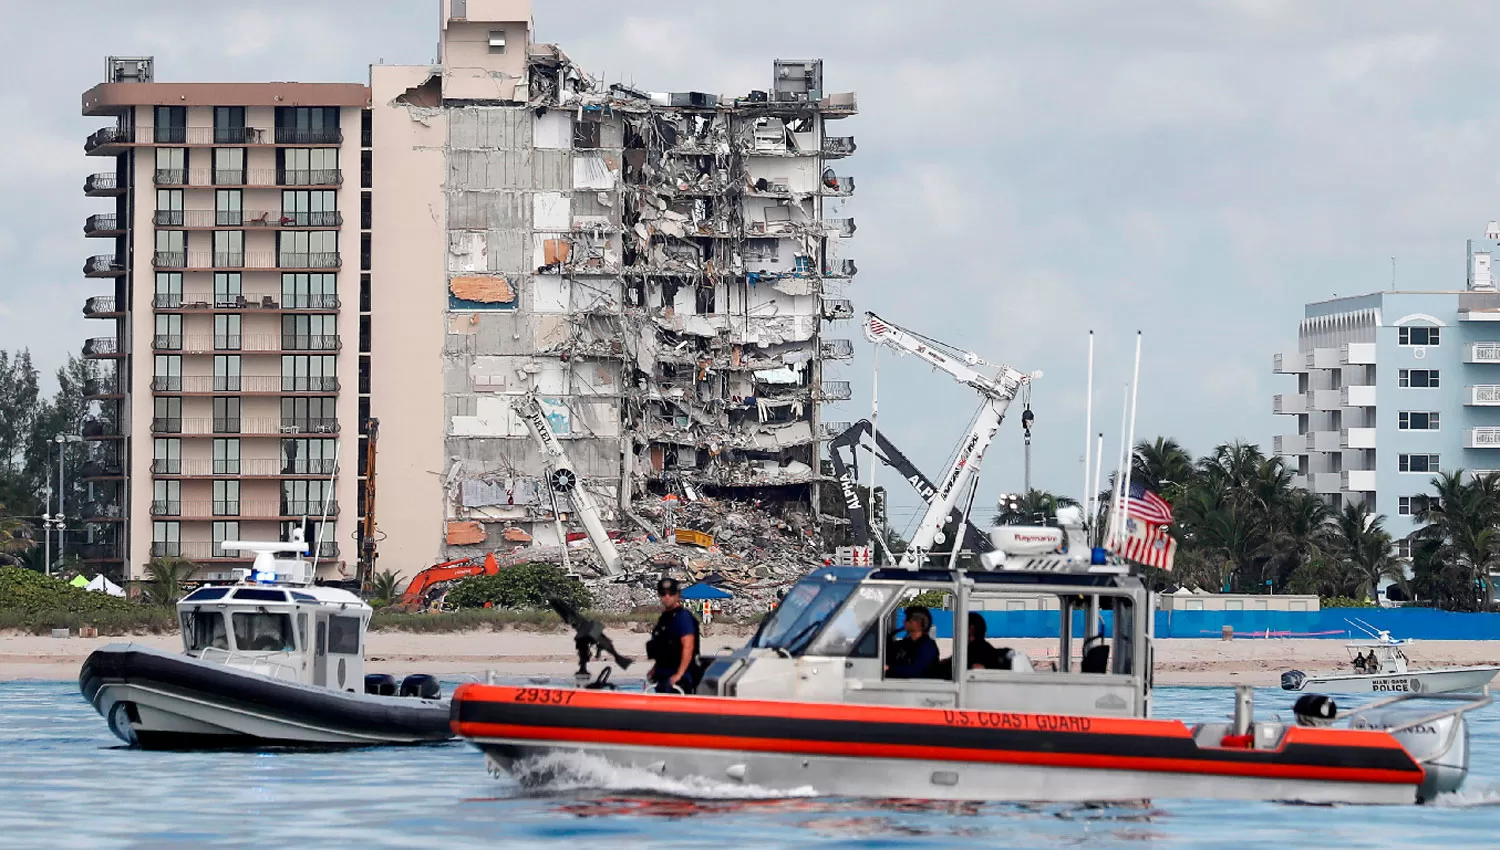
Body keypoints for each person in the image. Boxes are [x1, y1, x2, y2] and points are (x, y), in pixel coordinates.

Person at [646, 578, 702, 694]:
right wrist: (655, 668)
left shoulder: (683, 617)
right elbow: (664, 647)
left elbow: (688, 646)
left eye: (671, 593)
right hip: (663, 673)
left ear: (678, 595)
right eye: (663, 593)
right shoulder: (665, 618)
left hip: (679, 677)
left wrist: (679, 674)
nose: (667, 597)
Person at [885, 606, 939, 678]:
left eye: (907, 619)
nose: (904, 621)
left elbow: (915, 671)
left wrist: (889, 668)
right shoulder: (906, 644)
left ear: (916, 624)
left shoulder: (928, 647)